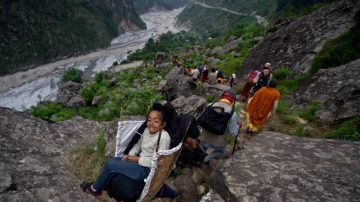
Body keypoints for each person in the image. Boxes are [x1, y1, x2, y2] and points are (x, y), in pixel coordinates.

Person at [80, 103, 171, 198]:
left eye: (156, 121)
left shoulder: (164, 137)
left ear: (163, 124)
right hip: (139, 164)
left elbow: (159, 162)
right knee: (113, 160)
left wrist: (136, 159)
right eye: (149, 120)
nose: (151, 123)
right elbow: (137, 145)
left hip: (148, 171)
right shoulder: (146, 131)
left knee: (110, 164)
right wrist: (129, 156)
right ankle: (98, 186)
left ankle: (94, 189)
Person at [198, 89, 240, 164]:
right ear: (232, 100)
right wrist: (237, 128)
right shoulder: (232, 114)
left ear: (222, 97)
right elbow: (233, 133)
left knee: (202, 147)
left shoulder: (210, 105)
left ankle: (199, 159)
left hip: (203, 138)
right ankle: (205, 159)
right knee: (220, 150)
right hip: (216, 143)